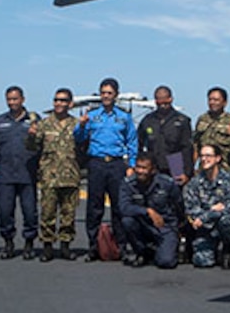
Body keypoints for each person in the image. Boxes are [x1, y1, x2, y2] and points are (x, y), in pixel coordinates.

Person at [75, 77, 138, 262]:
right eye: (103, 93)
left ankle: (121, 246)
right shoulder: (93, 116)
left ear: (116, 95)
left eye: (109, 93)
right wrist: (82, 125)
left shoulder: (124, 117)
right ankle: (93, 246)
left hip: (117, 164)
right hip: (96, 163)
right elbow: (79, 138)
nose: (106, 96)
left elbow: (132, 142)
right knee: (94, 206)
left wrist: (131, 165)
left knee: (119, 207)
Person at [0, 86, 40, 260]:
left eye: (15, 99)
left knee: (30, 213)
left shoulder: (34, 121)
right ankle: (8, 244)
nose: (12, 102)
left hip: (28, 175)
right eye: (9, 99)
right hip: (6, 175)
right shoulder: (0, 121)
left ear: (23, 99)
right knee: (5, 212)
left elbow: (44, 144)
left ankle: (29, 245)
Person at [25, 87, 80, 262]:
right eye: (56, 100)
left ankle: (65, 246)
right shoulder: (44, 124)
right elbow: (32, 148)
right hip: (49, 176)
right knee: (47, 213)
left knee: (68, 214)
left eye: (63, 100)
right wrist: (31, 136)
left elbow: (84, 147)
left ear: (70, 104)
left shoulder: (77, 124)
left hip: (70, 176)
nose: (59, 103)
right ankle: (47, 247)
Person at [120, 156, 184, 268]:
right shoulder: (128, 183)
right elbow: (123, 207)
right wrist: (147, 211)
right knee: (127, 221)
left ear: (153, 170)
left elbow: (179, 206)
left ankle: (163, 248)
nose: (140, 171)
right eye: (138, 167)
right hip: (143, 225)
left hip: (164, 226)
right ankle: (141, 251)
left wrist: (177, 228)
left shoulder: (166, 183)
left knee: (166, 262)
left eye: (144, 168)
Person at [184, 144, 230, 269]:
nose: (204, 159)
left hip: (224, 224)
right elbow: (191, 208)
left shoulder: (229, 180)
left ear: (218, 158)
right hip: (205, 228)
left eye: (208, 156)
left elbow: (229, 206)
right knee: (202, 261)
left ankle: (226, 250)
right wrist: (212, 211)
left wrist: (206, 215)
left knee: (226, 220)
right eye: (202, 156)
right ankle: (211, 249)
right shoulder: (194, 183)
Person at [137, 85, 194, 185]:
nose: (162, 105)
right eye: (160, 102)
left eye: (165, 102)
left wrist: (187, 173)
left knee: (175, 198)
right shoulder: (148, 120)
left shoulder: (182, 120)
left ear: (171, 99)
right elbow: (138, 143)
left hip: (175, 163)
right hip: (153, 165)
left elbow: (187, 148)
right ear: (155, 101)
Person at [193, 87, 230, 175]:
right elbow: (195, 145)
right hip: (204, 171)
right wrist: (192, 167)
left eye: (216, 100)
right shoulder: (202, 120)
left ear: (225, 103)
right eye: (210, 99)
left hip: (225, 171)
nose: (212, 102)